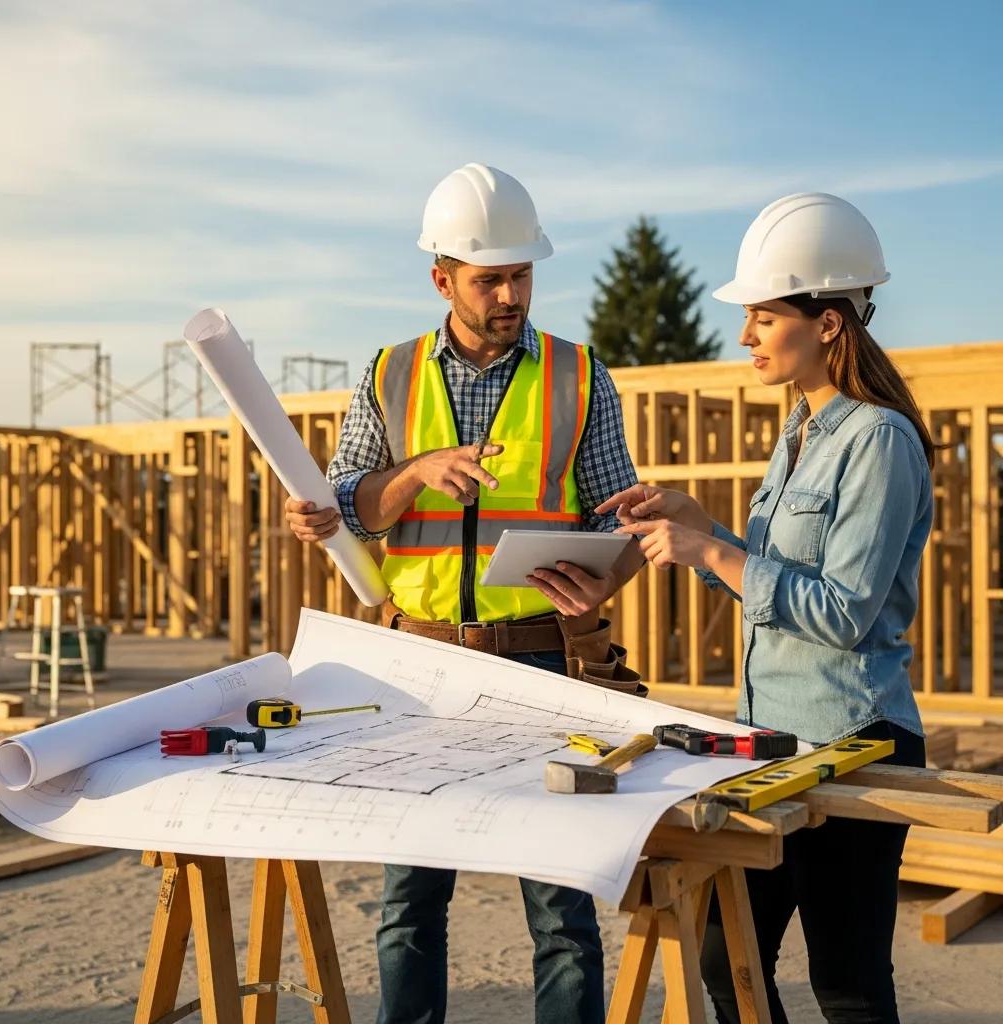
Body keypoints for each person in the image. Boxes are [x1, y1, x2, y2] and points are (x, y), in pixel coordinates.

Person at [285, 162, 644, 1024]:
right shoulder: (390, 373)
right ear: (442, 278)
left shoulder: (577, 375)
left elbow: (620, 518)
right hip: (418, 669)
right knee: (411, 900)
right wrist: (412, 475)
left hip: (541, 666)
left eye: (522, 275)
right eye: (491, 279)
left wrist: (601, 569)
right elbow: (347, 508)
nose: (510, 293)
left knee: (560, 905)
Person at [599, 192, 933, 1024]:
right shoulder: (798, 432)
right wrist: (695, 525)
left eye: (761, 317)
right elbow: (771, 583)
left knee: (847, 986)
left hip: (857, 741)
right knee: (723, 957)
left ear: (827, 321)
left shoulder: (878, 439)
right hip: (773, 740)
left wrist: (713, 551)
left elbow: (844, 612)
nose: (744, 337)